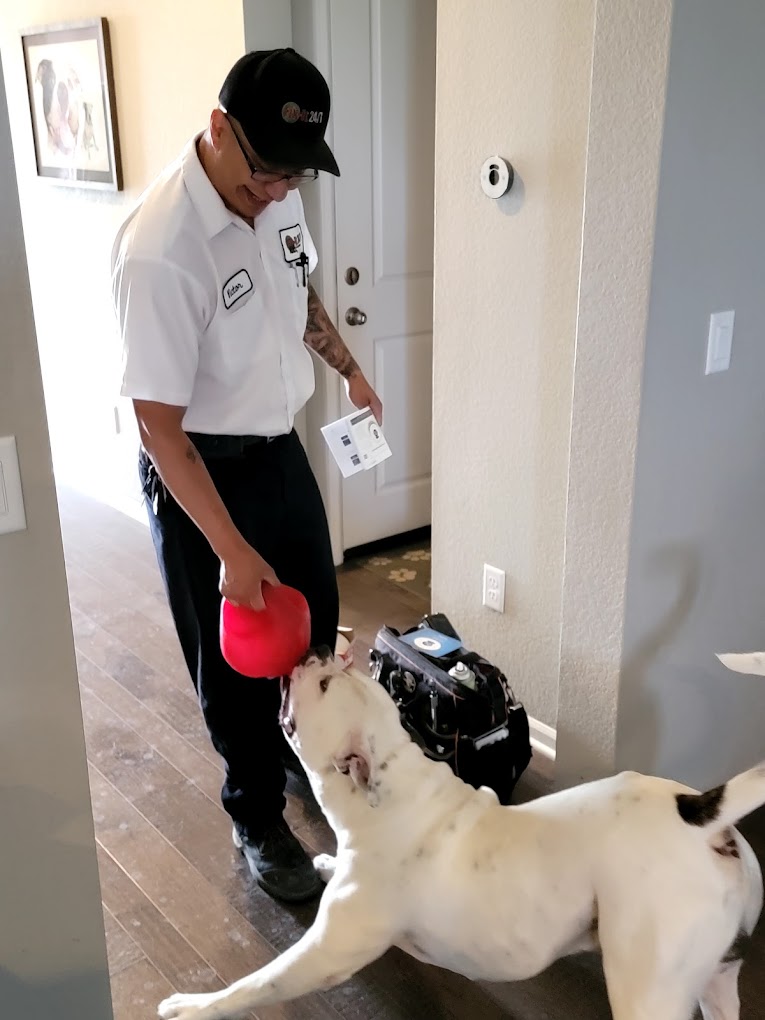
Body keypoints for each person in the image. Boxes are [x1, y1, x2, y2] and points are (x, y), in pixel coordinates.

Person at [110, 48, 382, 903]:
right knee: (234, 660)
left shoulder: (278, 198)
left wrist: (349, 367)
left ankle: (295, 751)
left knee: (312, 618)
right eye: (266, 174)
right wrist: (228, 548)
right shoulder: (160, 248)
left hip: (276, 447)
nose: (278, 193)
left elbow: (297, 292)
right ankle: (255, 813)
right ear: (220, 130)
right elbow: (157, 425)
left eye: (295, 178)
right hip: (198, 470)